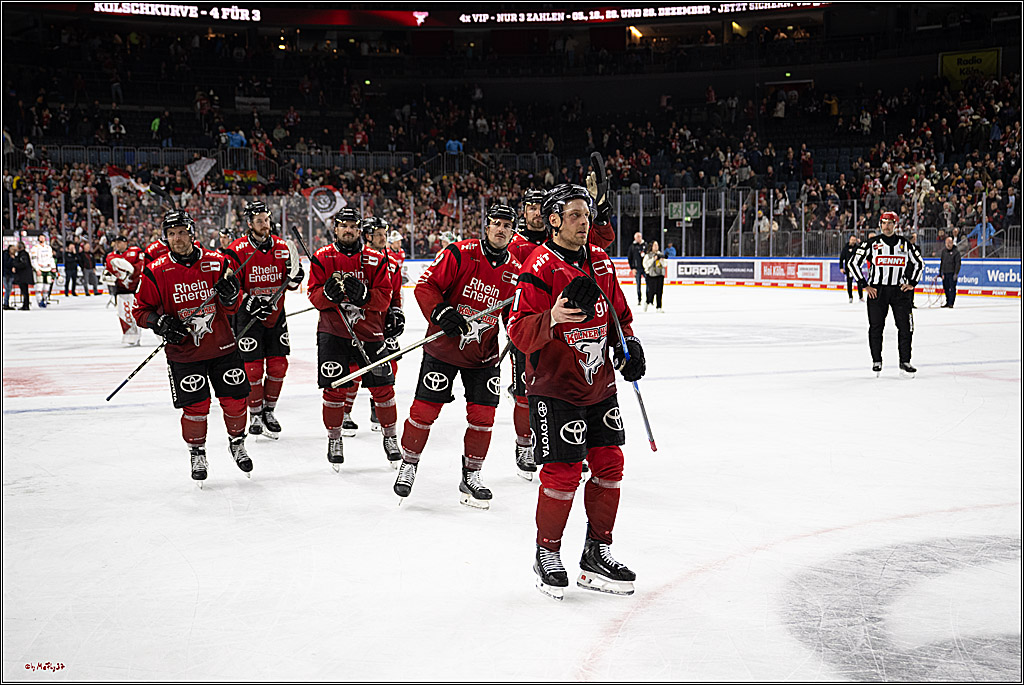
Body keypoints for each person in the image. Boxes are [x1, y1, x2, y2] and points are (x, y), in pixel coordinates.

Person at [507, 183, 647, 600]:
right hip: (555, 389)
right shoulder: (539, 267)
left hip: (600, 386)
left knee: (610, 467)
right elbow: (517, 332)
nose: (585, 222)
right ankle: (546, 552)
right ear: (553, 221)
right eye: (574, 215)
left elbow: (619, 316)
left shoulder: (601, 261)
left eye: (586, 215)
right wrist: (550, 317)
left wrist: (630, 347)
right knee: (562, 475)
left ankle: (596, 552)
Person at [392, 204, 521, 509]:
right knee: (424, 412)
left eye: (507, 225)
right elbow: (426, 286)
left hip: (483, 357)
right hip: (443, 350)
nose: (501, 229)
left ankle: (472, 475)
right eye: (496, 223)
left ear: (513, 233)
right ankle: (408, 464)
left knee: (483, 418)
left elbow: (514, 314)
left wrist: (519, 334)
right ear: (486, 226)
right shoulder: (460, 253)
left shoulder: (517, 270)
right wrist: (440, 311)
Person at [132, 210, 253, 485]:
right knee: (196, 406)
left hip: (223, 347)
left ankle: (237, 442)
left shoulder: (217, 262)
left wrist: (232, 294)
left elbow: (233, 305)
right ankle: (197, 452)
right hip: (184, 353)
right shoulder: (156, 270)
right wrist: (160, 322)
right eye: (171, 233)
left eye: (181, 232)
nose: (177, 238)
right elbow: (140, 311)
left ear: (192, 233)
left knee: (235, 402)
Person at [307, 209, 399, 468]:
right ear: (335, 228)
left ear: (360, 230)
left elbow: (385, 298)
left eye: (353, 226)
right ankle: (334, 438)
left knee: (383, 388)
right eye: (343, 226)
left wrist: (365, 297)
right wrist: (327, 294)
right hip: (333, 333)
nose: (348, 230)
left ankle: (390, 436)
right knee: (335, 388)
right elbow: (313, 296)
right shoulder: (322, 257)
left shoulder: (376, 259)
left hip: (370, 333)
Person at [225, 200, 305, 440]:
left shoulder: (282, 247)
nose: (264, 224)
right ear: (249, 223)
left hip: (275, 315)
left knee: (279, 365)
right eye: (258, 220)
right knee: (253, 368)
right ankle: (255, 413)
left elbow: (290, 283)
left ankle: (269, 411)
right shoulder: (236, 250)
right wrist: (249, 302)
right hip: (248, 316)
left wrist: (296, 277)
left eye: (266, 219)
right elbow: (229, 287)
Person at [849, 211, 924, 377]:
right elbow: (853, 263)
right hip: (877, 291)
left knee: (906, 327)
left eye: (890, 223)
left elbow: (919, 263)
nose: (886, 226)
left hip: (899, 291)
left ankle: (905, 361)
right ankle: (877, 360)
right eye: (883, 223)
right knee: (876, 327)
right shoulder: (871, 243)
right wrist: (864, 285)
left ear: (896, 225)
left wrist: (911, 283)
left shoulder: (905, 244)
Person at [364, 215, 406, 432]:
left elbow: (396, 293)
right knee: (354, 367)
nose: (383, 238)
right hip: (363, 321)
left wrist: (397, 312)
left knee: (390, 364)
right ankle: (344, 410)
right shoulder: (359, 259)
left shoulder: (392, 262)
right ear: (367, 236)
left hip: (385, 320)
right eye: (378, 234)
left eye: (384, 234)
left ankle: (376, 405)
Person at [104, 234, 144, 345]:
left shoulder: (136, 252)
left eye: (119, 242)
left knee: (135, 313)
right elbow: (109, 270)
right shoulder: (111, 256)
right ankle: (130, 336)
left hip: (135, 289)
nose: (117, 245)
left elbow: (141, 265)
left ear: (126, 243)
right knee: (123, 313)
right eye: (116, 243)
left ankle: (137, 334)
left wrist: (130, 275)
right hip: (120, 290)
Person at [30, 234, 58, 304]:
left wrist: (53, 267)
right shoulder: (35, 248)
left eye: (43, 238)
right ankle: (39, 300)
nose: (42, 239)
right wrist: (37, 269)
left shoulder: (48, 248)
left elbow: (51, 258)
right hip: (40, 268)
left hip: (47, 268)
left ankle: (45, 299)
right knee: (39, 285)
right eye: (41, 238)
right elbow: (34, 260)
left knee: (47, 285)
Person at [642, 240, 666, 312]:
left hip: (660, 275)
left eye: (657, 245)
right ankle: (647, 301)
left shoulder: (660, 254)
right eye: (655, 245)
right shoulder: (648, 255)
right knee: (651, 291)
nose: (656, 247)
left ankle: (659, 307)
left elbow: (665, 264)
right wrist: (653, 259)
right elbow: (645, 265)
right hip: (651, 275)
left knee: (659, 291)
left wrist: (661, 260)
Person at [839, 234, 863, 303]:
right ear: (849, 240)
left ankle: (861, 297)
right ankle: (850, 297)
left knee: (859, 282)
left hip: (857, 268)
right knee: (849, 283)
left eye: (854, 240)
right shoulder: (845, 248)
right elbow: (841, 258)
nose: (853, 241)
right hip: (849, 268)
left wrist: (860, 243)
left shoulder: (858, 248)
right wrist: (841, 267)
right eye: (852, 240)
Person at [939, 235, 961, 308]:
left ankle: (951, 302)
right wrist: (940, 273)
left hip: (952, 273)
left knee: (952, 288)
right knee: (946, 288)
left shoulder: (956, 252)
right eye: (947, 243)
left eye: (950, 242)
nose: (948, 244)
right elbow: (942, 262)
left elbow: (958, 263)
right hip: (945, 273)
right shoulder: (944, 252)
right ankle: (947, 301)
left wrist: (956, 273)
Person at [12, 241, 35, 310]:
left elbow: (23, 264)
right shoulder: (22, 254)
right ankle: (25, 304)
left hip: (23, 275)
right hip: (23, 275)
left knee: (24, 290)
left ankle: (26, 305)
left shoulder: (23, 254)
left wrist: (15, 264)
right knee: (24, 290)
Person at [626, 232, 645, 306]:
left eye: (640, 236)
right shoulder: (632, 247)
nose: (639, 238)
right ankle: (639, 299)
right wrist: (632, 268)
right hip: (637, 269)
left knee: (649, 285)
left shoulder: (645, 245)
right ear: (635, 238)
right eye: (637, 237)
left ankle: (649, 299)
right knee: (638, 285)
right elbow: (630, 258)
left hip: (645, 268)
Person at [3, 244, 17, 310]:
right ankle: (6, 303)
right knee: (7, 289)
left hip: (10, 274)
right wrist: (11, 259)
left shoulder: (13, 255)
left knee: (9, 289)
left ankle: (6, 302)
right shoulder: (5, 255)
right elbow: (6, 264)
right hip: (6, 274)